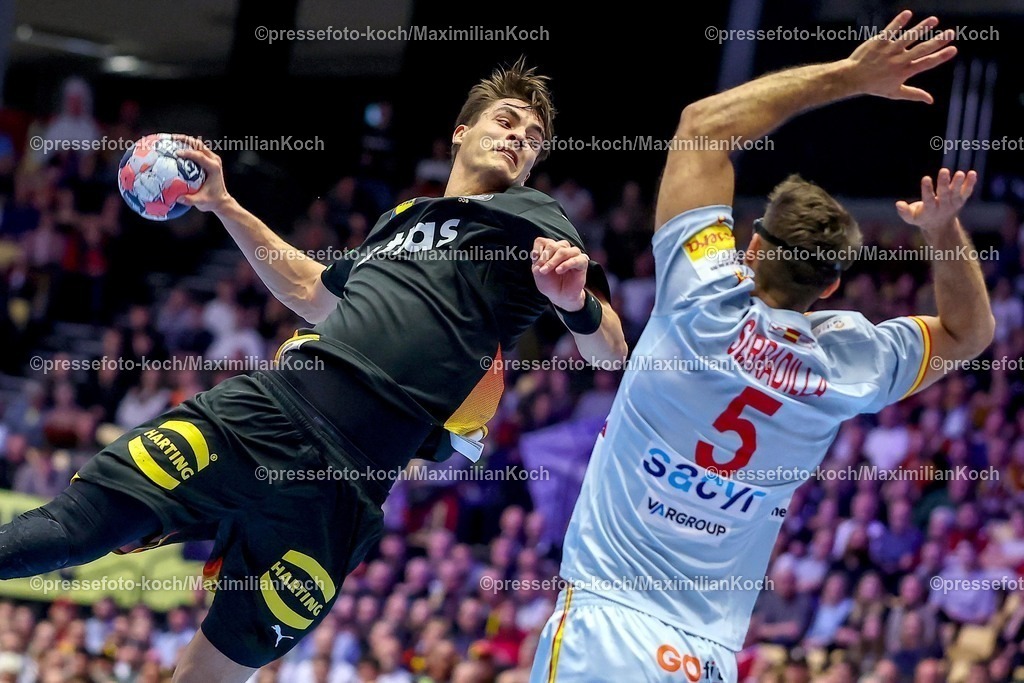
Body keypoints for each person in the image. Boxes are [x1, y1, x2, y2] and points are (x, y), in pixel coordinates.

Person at [0, 59, 626, 682]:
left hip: (342, 492)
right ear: (461, 131)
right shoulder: (398, 219)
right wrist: (222, 204)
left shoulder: (532, 217)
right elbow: (310, 291)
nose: (520, 137)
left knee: (211, 674)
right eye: (507, 120)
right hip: (262, 415)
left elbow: (611, 351)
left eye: (534, 137)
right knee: (77, 528)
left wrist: (573, 304)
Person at [531, 11, 993, 682]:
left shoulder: (700, 297)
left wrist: (851, 75)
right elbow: (968, 333)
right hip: (706, 658)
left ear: (751, 246)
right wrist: (944, 230)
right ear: (832, 284)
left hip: (607, 625)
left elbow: (702, 128)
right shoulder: (844, 364)